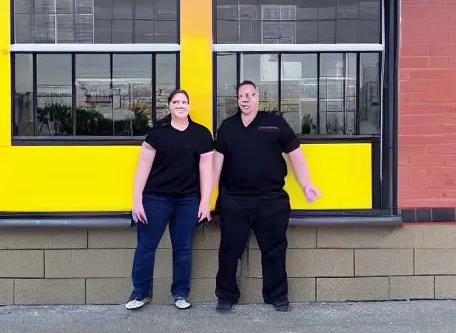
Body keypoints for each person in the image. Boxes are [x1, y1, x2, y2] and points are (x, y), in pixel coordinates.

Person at [213, 80, 321, 313]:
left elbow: (296, 154)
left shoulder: (274, 124)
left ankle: (277, 296)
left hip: (272, 200)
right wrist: (205, 198)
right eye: (242, 95)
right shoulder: (227, 127)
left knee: (275, 250)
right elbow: (216, 164)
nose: (246, 99)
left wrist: (306, 184)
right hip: (235, 199)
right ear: (237, 98)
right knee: (229, 250)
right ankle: (226, 295)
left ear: (257, 96)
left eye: (250, 95)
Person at [125, 89, 214, 311]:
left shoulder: (202, 135)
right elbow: (142, 168)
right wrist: (137, 201)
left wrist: (205, 202)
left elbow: (206, 170)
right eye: (176, 101)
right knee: (146, 248)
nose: (180, 105)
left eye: (184, 101)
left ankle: (181, 294)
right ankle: (140, 294)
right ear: (169, 105)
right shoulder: (156, 134)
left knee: (183, 249)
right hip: (155, 198)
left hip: (188, 200)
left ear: (189, 105)